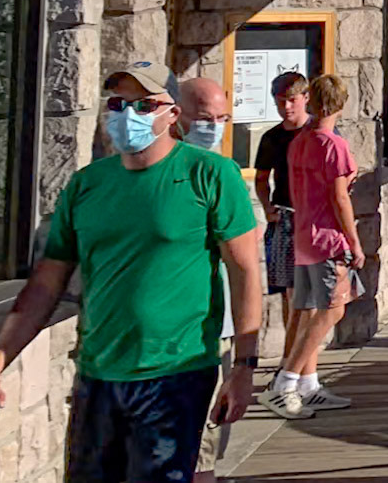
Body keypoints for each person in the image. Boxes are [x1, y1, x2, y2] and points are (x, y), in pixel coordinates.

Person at [0, 61, 261, 483]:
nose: (127, 113)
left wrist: (244, 367)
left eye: (143, 104)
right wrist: (0, 355)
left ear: (173, 113)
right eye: (118, 103)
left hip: (176, 374)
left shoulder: (210, 174)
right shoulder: (86, 185)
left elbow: (245, 271)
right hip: (98, 376)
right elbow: (45, 283)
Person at [261, 74, 364, 418]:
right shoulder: (334, 145)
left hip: (302, 233)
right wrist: (355, 241)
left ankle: (307, 384)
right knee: (333, 309)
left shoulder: (298, 143)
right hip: (326, 237)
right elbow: (339, 198)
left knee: (303, 310)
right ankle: (286, 382)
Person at [178, 76, 238, 483]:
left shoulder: (225, 172)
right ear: (176, 116)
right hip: (180, 332)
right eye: (204, 118)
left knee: (210, 440)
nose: (213, 127)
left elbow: (246, 264)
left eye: (222, 118)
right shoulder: (168, 173)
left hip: (220, 328)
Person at [254, 72, 310, 370]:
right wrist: (267, 209)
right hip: (285, 218)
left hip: (313, 220)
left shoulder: (318, 133)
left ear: (305, 98)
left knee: (310, 295)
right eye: (280, 102)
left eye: (291, 100)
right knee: (290, 292)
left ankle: (298, 363)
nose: (286, 107)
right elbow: (262, 179)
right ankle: (290, 360)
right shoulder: (272, 138)